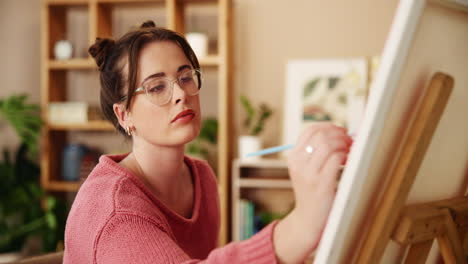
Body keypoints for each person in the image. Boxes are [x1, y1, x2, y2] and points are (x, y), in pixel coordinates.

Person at [63, 21, 353, 264]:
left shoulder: (200, 177)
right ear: (124, 114)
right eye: (156, 87)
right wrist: (302, 223)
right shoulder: (116, 212)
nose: (181, 94)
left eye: (185, 76)